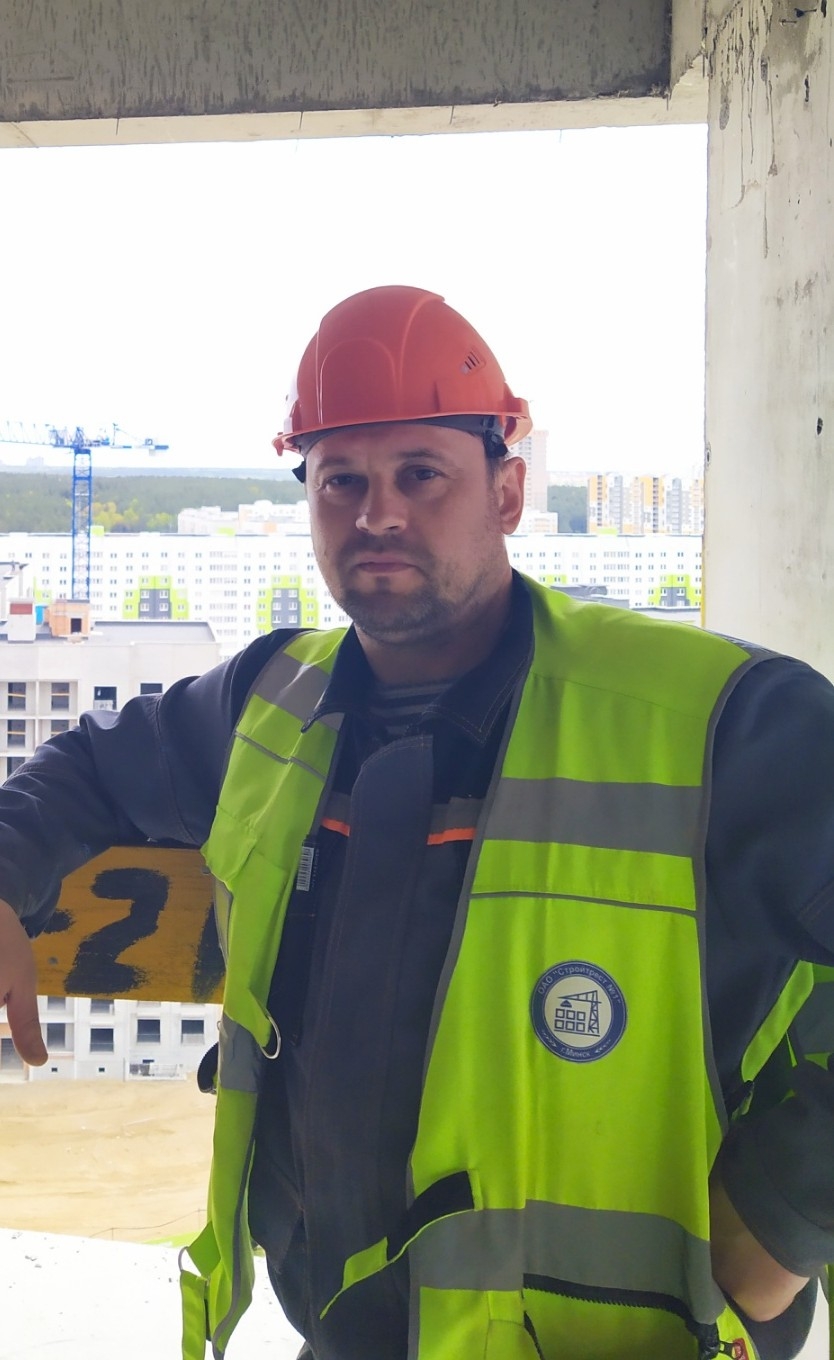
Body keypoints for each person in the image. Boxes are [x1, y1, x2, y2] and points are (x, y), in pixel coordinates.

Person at [1, 284, 833, 1360]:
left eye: (420, 474)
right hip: (344, 1332)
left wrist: (784, 1211)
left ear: (508, 491)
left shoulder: (715, 721)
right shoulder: (272, 702)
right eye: (340, 479)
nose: (377, 513)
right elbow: (84, 769)